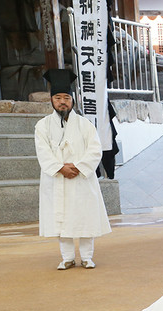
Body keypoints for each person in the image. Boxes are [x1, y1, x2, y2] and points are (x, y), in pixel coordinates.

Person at [34, 68, 111, 270]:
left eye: (66, 97)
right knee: (61, 221)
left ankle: (87, 257)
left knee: (85, 218)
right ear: (51, 100)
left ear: (72, 99)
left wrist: (77, 167)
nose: (62, 102)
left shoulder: (85, 125)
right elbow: (42, 152)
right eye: (57, 97)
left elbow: (95, 150)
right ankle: (67, 258)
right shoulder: (42, 126)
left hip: (80, 178)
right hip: (57, 179)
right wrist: (60, 168)